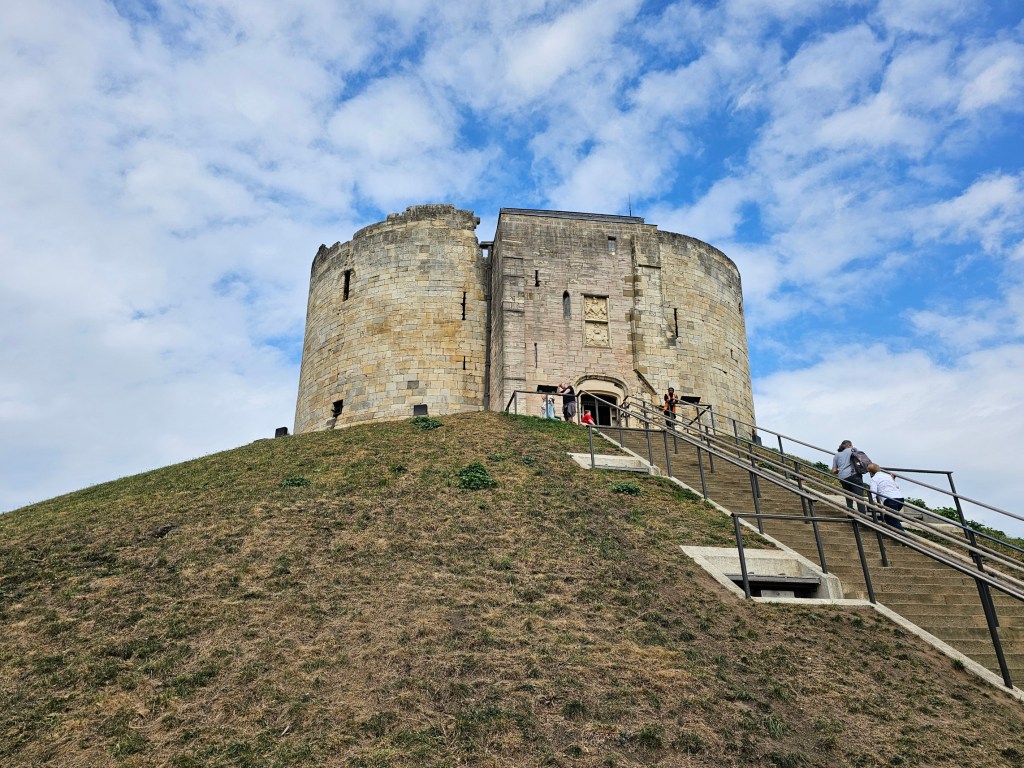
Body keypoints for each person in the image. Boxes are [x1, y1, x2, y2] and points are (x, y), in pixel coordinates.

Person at [867, 463, 906, 531]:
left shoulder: (874, 479)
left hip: (890, 500)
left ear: (870, 472)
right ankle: (894, 534)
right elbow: (896, 486)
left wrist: (873, 503)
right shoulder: (888, 476)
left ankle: (904, 538)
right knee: (888, 517)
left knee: (893, 520)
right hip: (900, 499)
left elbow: (873, 492)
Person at [831, 439, 866, 514]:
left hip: (843, 478)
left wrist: (840, 470)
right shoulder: (853, 449)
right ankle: (863, 516)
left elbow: (834, 471)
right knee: (859, 497)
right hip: (854, 475)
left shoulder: (837, 455)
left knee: (848, 496)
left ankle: (850, 512)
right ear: (849, 445)